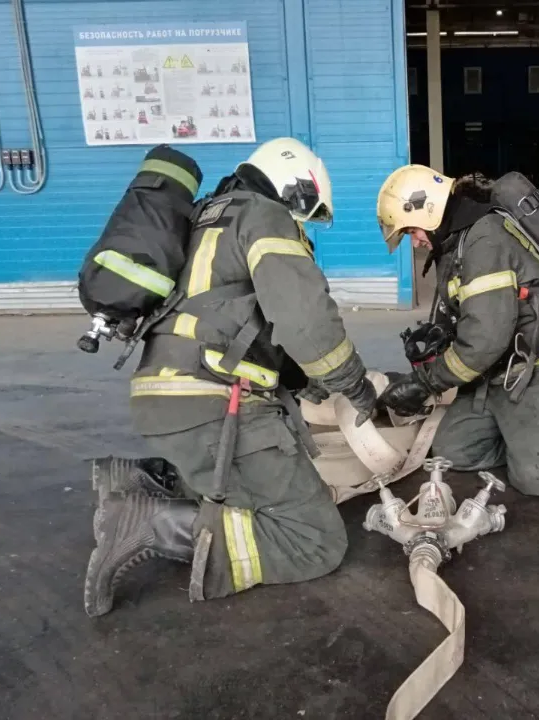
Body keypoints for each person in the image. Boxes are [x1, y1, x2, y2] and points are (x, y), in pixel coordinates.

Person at [84, 138, 378, 616]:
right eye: (308, 211)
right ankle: (148, 521)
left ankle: (148, 477)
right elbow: (307, 322)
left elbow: (238, 318)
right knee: (315, 538)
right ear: (297, 187)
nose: (304, 225)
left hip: (168, 399)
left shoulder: (204, 218)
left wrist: (305, 383)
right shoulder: (265, 216)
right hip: (216, 403)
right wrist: (353, 384)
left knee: (243, 484)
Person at [374, 165, 539, 496]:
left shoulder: (485, 238)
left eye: (411, 231)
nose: (416, 242)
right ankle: (529, 435)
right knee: (453, 453)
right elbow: (463, 320)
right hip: (497, 373)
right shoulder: (455, 244)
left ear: (428, 208)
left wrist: (426, 383)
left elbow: (483, 341)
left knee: (538, 479)